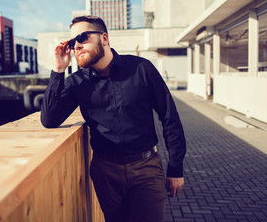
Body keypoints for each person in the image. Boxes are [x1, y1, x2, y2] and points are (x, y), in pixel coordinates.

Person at [41, 16, 186, 222]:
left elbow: (169, 117)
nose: (77, 46)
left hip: (145, 168)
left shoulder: (141, 68)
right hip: (105, 171)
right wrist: (58, 70)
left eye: (82, 37)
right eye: (73, 42)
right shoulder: (77, 82)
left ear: (105, 38)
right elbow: (49, 119)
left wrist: (176, 168)